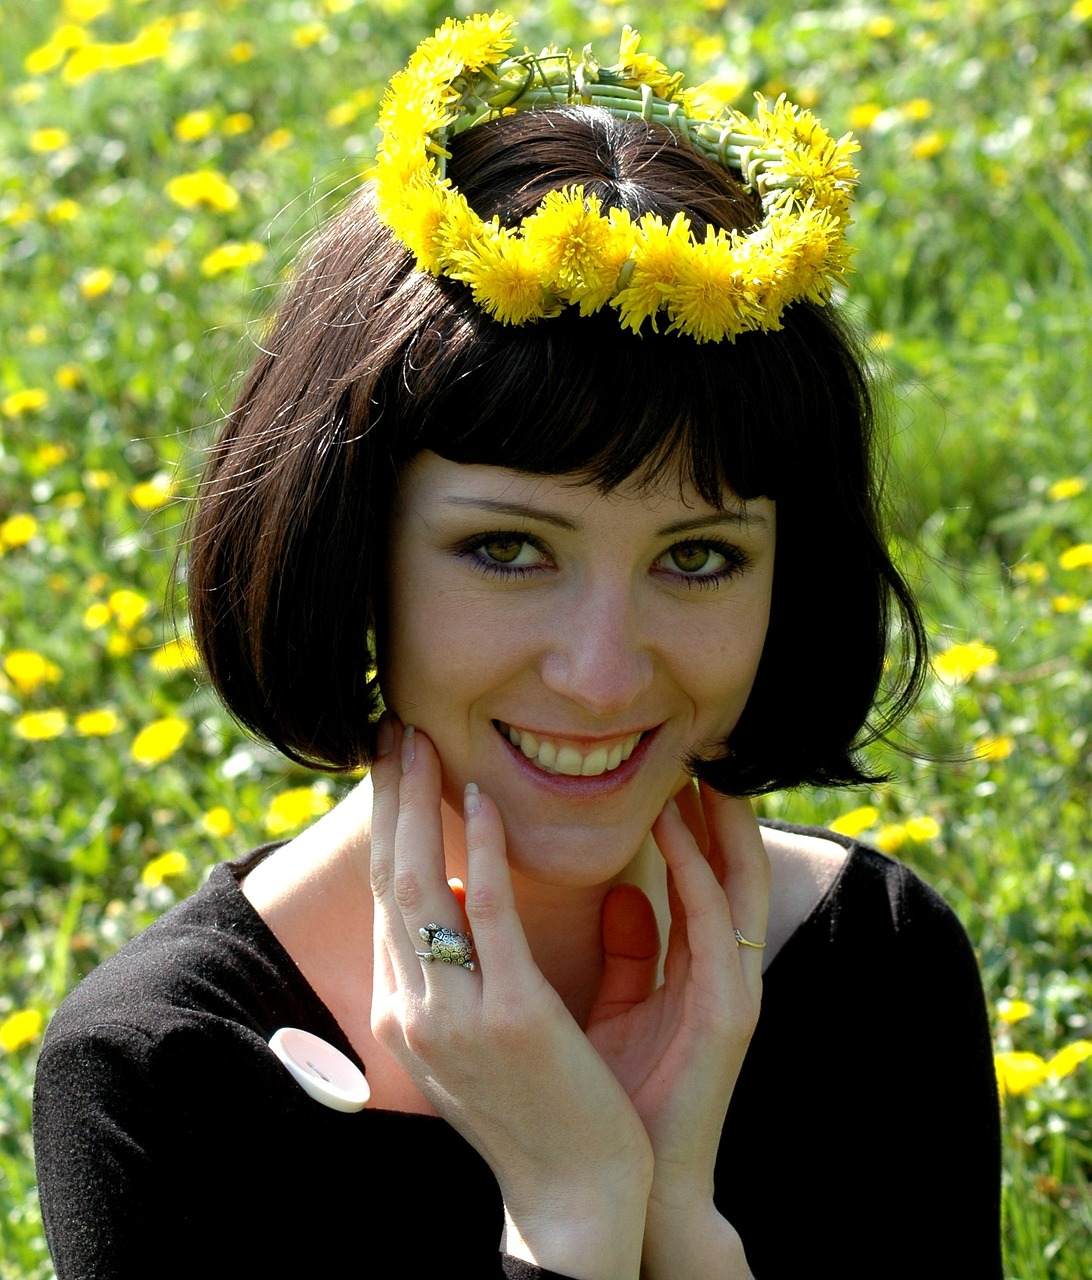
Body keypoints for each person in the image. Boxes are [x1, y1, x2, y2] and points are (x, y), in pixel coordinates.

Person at [33, 15, 1002, 1278]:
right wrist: (573, 1212)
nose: (602, 673)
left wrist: (681, 1222)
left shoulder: (876, 964)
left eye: (699, 557)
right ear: (349, 543)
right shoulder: (166, 1072)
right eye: (507, 548)